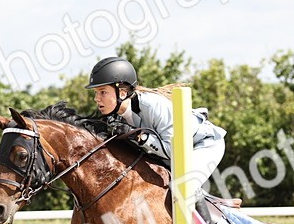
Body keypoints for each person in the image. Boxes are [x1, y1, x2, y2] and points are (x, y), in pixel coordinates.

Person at [85, 56, 227, 198]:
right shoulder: (114, 118)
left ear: (122, 93)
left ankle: (210, 214)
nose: (96, 98)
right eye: (96, 92)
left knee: (182, 187)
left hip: (203, 144)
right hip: (172, 156)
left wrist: (139, 136)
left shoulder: (153, 106)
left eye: (103, 92)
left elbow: (173, 152)